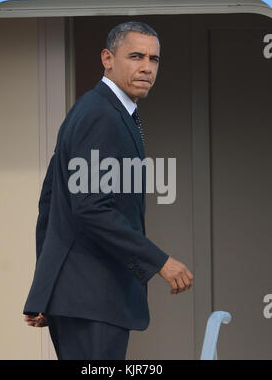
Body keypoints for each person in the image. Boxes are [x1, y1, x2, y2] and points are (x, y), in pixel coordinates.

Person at [23, 21, 193, 360]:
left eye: (154, 59)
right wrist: (159, 261)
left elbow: (52, 200)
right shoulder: (102, 115)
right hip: (93, 298)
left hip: (83, 298)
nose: (146, 67)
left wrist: (46, 291)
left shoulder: (100, 110)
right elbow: (92, 209)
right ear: (108, 58)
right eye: (135, 56)